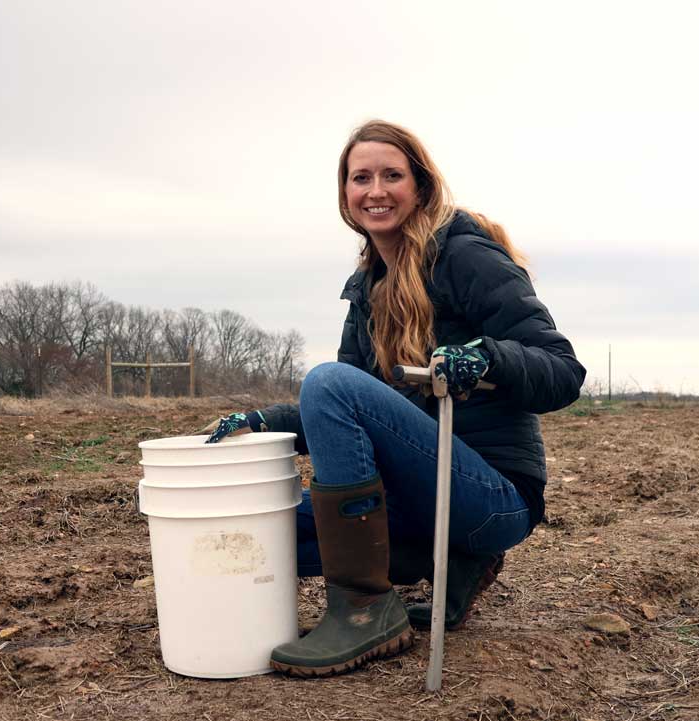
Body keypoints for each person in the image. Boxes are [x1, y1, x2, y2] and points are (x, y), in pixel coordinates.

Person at [201, 120, 585, 678]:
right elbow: (347, 413)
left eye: (391, 176)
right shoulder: (367, 287)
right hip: (417, 496)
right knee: (261, 531)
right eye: (361, 178)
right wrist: (261, 420)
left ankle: (364, 610)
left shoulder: (466, 256)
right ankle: (444, 560)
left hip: (491, 498)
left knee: (328, 380)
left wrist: (486, 357)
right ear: (345, 193)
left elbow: (563, 371)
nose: (375, 190)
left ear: (420, 187)